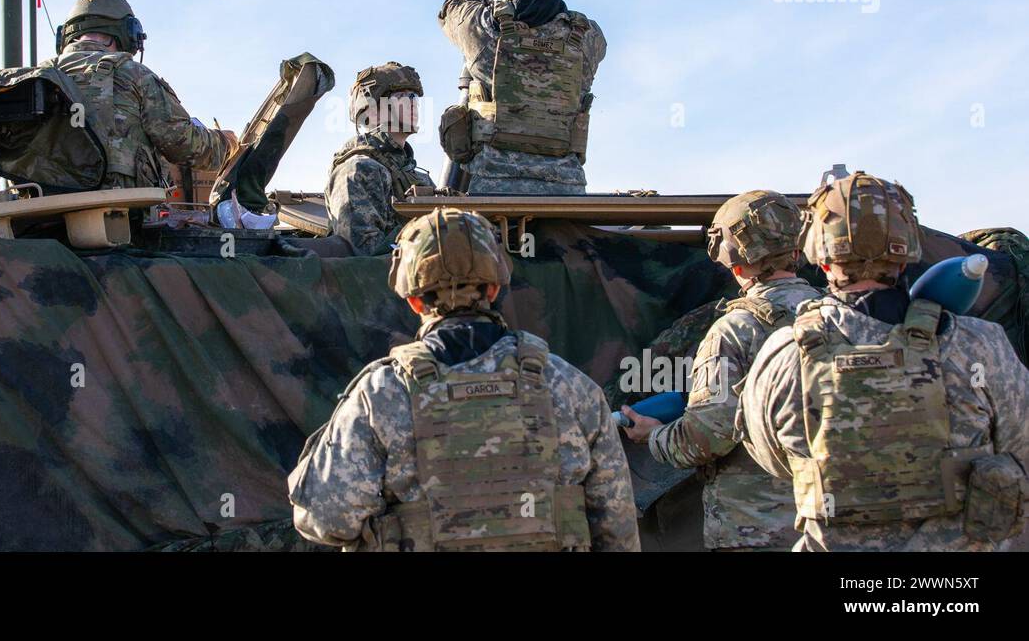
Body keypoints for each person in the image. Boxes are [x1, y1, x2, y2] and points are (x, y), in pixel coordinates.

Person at [288, 207, 640, 551]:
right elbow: (618, 531)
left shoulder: (380, 395)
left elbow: (327, 518)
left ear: (413, 301)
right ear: (493, 289)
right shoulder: (572, 388)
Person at [738, 172, 1029, 551]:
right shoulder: (979, 345)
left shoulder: (782, 354)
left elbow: (771, 459)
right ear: (909, 250)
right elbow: (1020, 447)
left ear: (820, 257)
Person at [621, 190, 820, 550]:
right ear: (796, 250)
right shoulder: (839, 316)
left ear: (733, 263)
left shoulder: (735, 330)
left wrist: (652, 436)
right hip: (827, 527)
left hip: (757, 529)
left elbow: (704, 439)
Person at [437, 0, 606, 194]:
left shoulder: (482, 29)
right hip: (567, 190)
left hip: (493, 188)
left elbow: (451, 5)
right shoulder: (588, 37)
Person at [45, 0, 236, 188]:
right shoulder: (133, 74)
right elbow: (182, 144)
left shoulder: (38, 77)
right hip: (119, 209)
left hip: (37, 210)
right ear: (129, 34)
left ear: (65, 36)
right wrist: (227, 143)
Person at [324, 62, 434, 255]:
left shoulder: (416, 175)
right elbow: (363, 253)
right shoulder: (359, 169)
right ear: (373, 110)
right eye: (402, 96)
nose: (413, 103)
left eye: (414, 97)